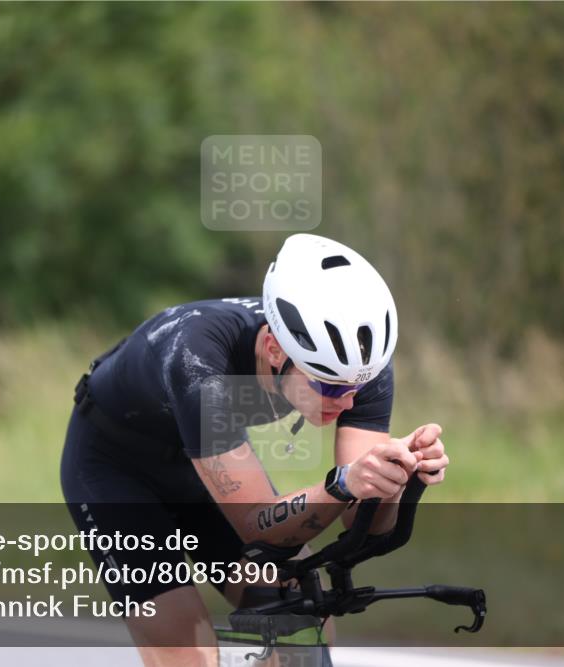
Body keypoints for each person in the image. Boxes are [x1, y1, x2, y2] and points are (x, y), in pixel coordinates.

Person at [61, 233, 450, 667]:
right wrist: (341, 484)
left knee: (295, 602)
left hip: (200, 462)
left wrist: (393, 480)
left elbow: (361, 522)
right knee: (187, 652)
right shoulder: (198, 360)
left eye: (356, 389)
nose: (346, 402)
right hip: (114, 468)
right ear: (273, 349)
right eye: (326, 386)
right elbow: (257, 527)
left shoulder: (358, 360)